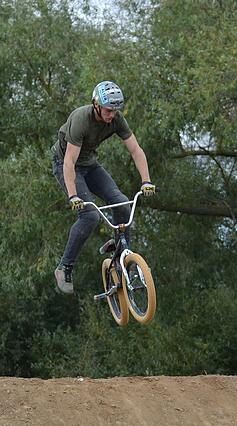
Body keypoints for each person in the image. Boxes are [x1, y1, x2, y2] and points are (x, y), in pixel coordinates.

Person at [51, 80, 156, 294]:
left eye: (116, 111)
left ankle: (120, 254)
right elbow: (69, 162)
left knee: (123, 204)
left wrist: (146, 181)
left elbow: (136, 150)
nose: (112, 115)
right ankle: (65, 267)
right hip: (67, 166)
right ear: (96, 105)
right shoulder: (82, 119)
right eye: (108, 110)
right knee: (90, 216)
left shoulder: (117, 119)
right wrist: (73, 196)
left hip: (90, 165)